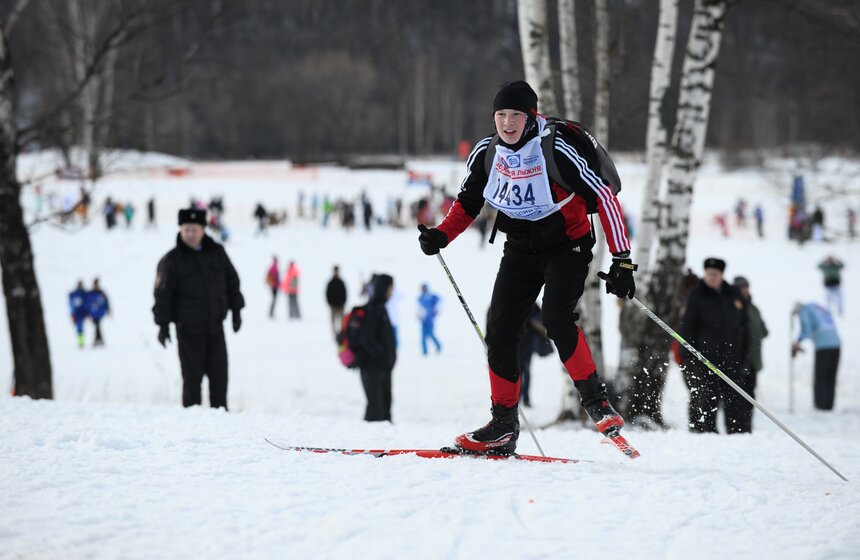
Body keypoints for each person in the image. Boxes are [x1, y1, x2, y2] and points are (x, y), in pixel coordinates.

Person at [417, 80, 636, 454]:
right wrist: (442, 235)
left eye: (515, 114)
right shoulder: (488, 152)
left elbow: (604, 196)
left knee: (556, 318)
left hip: (568, 246)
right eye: (500, 115)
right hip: (519, 249)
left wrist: (621, 260)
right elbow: (468, 201)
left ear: (530, 115)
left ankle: (597, 403)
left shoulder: (556, 149)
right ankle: (502, 425)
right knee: (500, 328)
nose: (507, 122)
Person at [152, 208, 245, 409]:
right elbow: (162, 296)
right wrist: (163, 325)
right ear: (180, 230)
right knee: (192, 382)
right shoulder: (171, 261)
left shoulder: (217, 253)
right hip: (188, 332)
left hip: (215, 329)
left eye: (194, 229)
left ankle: (223, 427)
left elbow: (232, 281)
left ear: (203, 229)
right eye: (187, 230)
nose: (191, 234)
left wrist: (236, 311)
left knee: (219, 381)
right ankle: (192, 430)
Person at [679, 258, 751, 433]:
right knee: (705, 401)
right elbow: (687, 328)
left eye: (715, 274)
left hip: (732, 359)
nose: (712, 277)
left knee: (737, 403)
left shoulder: (733, 293)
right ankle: (703, 434)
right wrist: (690, 358)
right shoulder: (696, 295)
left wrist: (744, 355)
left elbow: (744, 326)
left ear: (721, 275)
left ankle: (738, 437)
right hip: (705, 361)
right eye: (709, 274)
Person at [358, 274, 397, 422]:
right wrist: (381, 357)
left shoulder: (381, 308)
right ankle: (369, 443)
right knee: (376, 410)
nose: (392, 291)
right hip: (373, 368)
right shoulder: (373, 309)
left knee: (384, 409)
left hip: (382, 368)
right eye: (390, 287)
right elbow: (366, 339)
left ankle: (384, 442)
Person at [733, 276, 767, 428]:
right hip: (737, 360)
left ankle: (747, 427)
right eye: (741, 288)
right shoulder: (732, 306)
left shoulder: (753, 309)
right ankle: (736, 428)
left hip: (753, 360)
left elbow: (763, 331)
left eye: (746, 287)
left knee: (750, 396)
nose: (745, 291)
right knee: (736, 397)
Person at [792, 303, 841, 410]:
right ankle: (829, 405)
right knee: (830, 377)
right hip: (837, 344)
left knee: (821, 377)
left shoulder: (804, 310)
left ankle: (820, 405)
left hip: (823, 346)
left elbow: (806, 328)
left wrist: (798, 341)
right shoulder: (817, 307)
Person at [417, 283, 442, 356]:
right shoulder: (420, 298)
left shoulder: (432, 297)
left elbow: (440, 302)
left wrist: (437, 310)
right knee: (423, 337)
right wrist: (418, 315)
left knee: (431, 334)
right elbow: (419, 308)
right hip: (423, 320)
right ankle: (425, 351)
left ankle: (438, 346)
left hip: (430, 320)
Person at [86, 278, 110, 347]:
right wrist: (87, 312)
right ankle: (99, 339)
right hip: (93, 313)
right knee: (97, 326)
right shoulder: (90, 293)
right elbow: (87, 303)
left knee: (97, 325)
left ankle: (98, 340)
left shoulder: (101, 292)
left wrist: (108, 309)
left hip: (99, 312)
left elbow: (106, 302)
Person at [326, 265, 348, 338]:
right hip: (333, 306)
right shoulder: (330, 283)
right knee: (333, 322)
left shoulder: (341, 282)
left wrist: (343, 303)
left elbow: (345, 293)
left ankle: (341, 336)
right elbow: (327, 294)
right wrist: (330, 303)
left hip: (341, 306)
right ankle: (335, 336)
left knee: (342, 322)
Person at [68, 280, 88, 349]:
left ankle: (81, 342)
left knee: (80, 328)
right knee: (79, 328)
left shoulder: (84, 294)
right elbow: (71, 305)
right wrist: (72, 314)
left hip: (81, 313)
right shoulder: (74, 294)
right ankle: (81, 342)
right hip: (77, 314)